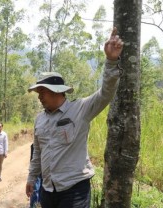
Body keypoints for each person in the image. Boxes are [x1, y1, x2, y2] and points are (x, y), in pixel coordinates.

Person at [25, 27, 124, 208]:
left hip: (74, 189)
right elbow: (38, 153)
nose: (39, 96)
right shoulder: (40, 120)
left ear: (57, 92)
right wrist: (31, 178)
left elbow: (106, 93)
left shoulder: (80, 109)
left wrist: (111, 61)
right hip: (48, 189)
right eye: (38, 92)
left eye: (43, 91)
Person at [29, 144, 41, 208]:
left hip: (46, 173)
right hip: (37, 172)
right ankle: (33, 206)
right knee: (35, 189)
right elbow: (32, 161)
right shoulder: (33, 145)